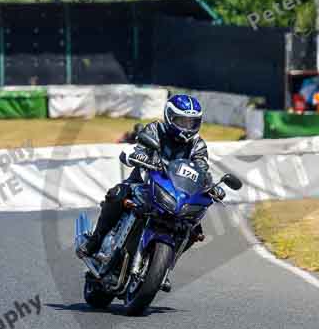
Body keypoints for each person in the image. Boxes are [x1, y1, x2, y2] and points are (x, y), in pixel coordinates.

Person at [77, 95, 217, 265]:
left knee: (194, 228)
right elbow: (141, 147)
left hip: (176, 193)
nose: (187, 127)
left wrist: (209, 185)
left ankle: (166, 264)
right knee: (117, 194)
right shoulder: (156, 129)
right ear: (170, 117)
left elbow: (201, 168)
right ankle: (94, 242)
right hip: (143, 183)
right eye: (182, 121)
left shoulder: (198, 145)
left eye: (191, 123)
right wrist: (141, 156)